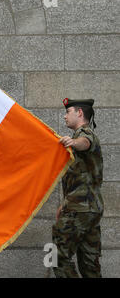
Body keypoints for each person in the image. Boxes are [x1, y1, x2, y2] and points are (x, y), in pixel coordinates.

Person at [53, 98, 104, 278]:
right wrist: (63, 204)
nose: (65, 116)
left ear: (79, 113)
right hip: (89, 210)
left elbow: (86, 142)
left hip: (78, 210)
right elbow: (78, 179)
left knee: (55, 256)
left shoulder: (83, 135)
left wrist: (74, 143)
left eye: (68, 112)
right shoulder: (79, 137)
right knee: (89, 263)